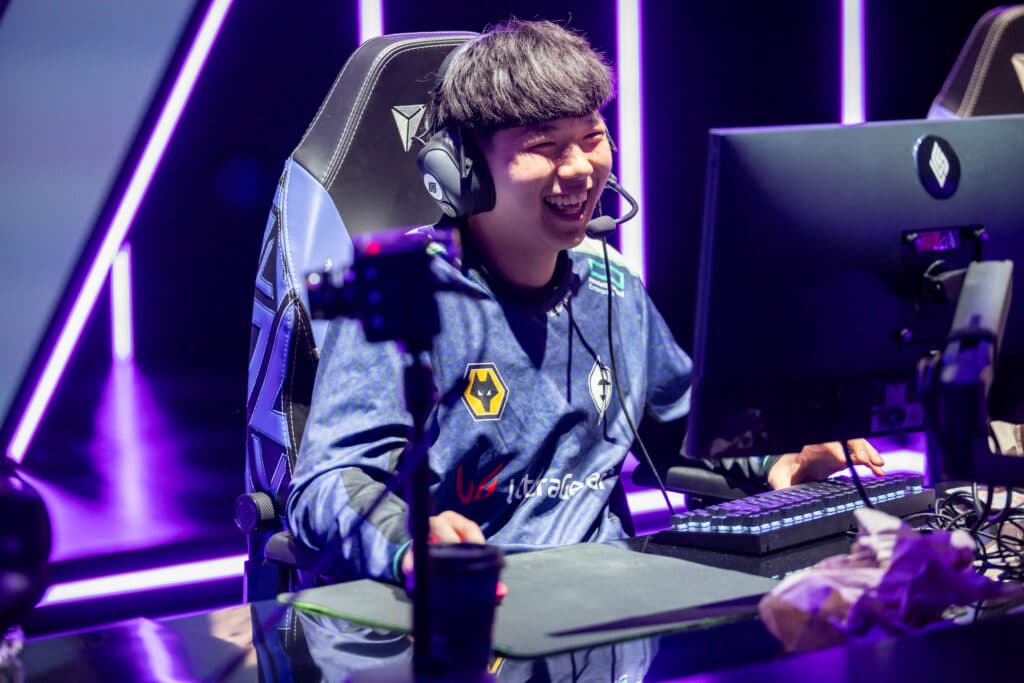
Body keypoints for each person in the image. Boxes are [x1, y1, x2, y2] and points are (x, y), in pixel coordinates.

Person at [286, 19, 885, 585]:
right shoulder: (405, 294)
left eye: (593, 138)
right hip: (473, 602)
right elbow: (326, 483)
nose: (579, 169)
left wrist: (780, 458)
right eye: (545, 146)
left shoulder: (612, 284)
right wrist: (409, 541)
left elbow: (683, 427)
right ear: (464, 168)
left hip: (611, 595)